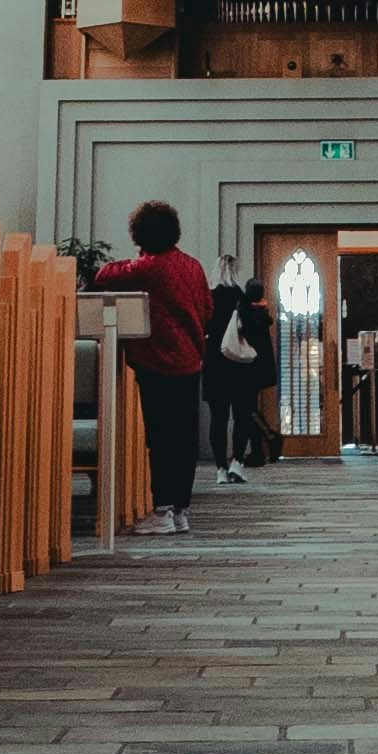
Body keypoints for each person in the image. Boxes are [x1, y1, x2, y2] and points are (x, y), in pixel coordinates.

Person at [82, 197, 211, 533]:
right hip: (191, 360)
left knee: (161, 438)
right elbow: (207, 309)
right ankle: (180, 510)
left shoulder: (150, 267)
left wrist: (135, 258)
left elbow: (105, 274)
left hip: (159, 363)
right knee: (184, 441)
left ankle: (163, 510)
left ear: (141, 234)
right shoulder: (193, 266)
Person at [203, 266, 275, 471]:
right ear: (236, 274)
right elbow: (259, 330)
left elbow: (202, 327)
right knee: (241, 417)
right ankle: (237, 462)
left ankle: (220, 468)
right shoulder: (243, 299)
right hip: (241, 368)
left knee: (218, 420)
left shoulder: (209, 299)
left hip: (215, 366)